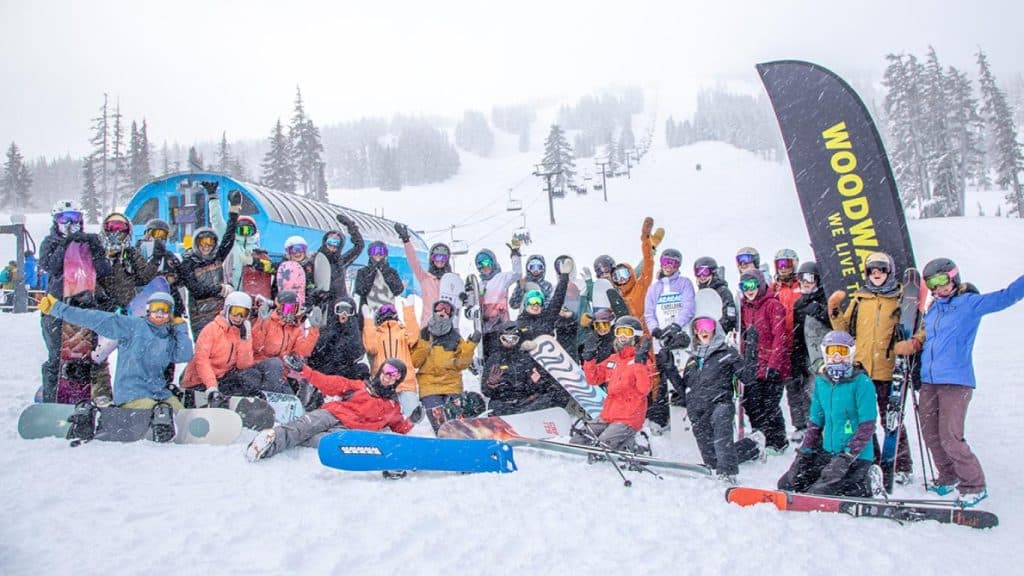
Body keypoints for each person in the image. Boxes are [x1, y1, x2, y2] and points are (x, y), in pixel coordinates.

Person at [893, 258, 1024, 506]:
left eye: (942, 280)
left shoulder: (969, 304)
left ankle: (974, 484)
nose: (937, 287)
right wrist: (915, 344)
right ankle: (948, 476)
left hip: (956, 381)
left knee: (950, 436)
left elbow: (1006, 296)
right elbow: (927, 337)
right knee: (930, 434)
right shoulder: (933, 310)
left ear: (954, 278)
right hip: (929, 381)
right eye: (932, 282)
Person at [828, 251, 914, 484]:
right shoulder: (859, 299)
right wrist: (834, 310)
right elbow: (844, 331)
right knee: (864, 419)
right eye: (872, 271)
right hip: (863, 369)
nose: (877, 274)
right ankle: (873, 460)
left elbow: (916, 325)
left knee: (891, 419)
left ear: (889, 272)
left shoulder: (900, 298)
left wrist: (912, 343)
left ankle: (901, 464)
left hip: (889, 370)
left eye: (881, 270)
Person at [245, 357, 422, 462]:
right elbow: (329, 383)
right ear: (381, 370)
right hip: (332, 414)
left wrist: (412, 419)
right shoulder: (360, 386)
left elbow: (399, 427)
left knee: (322, 441)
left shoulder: (392, 406)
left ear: (398, 380)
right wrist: (305, 371)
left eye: (395, 374)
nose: (389, 376)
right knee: (304, 426)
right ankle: (268, 443)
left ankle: (289, 438)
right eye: (387, 370)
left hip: (347, 430)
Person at [38, 291, 193, 409]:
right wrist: (57, 308)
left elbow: (184, 354)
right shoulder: (132, 326)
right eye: (155, 308)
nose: (159, 313)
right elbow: (94, 318)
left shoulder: (169, 336)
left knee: (180, 415)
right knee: (157, 414)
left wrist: (180, 328)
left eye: (165, 309)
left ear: (171, 314)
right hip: (132, 393)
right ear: (148, 310)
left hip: (159, 393)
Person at [778, 331, 878, 497]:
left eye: (842, 351)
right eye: (832, 352)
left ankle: (864, 483)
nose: (837, 357)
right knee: (788, 483)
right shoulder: (821, 382)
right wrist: (804, 454)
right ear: (825, 353)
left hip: (855, 458)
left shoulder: (862, 383)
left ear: (851, 353)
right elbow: (815, 423)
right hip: (828, 454)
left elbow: (867, 426)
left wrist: (847, 456)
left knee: (819, 492)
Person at [38, 199, 114, 403]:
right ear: (56, 221)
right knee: (56, 358)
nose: (70, 223)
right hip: (57, 309)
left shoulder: (88, 242)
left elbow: (105, 271)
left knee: (85, 357)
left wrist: (96, 247)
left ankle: (83, 398)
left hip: (85, 308)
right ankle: (51, 399)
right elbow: (51, 266)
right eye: (65, 219)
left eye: (75, 218)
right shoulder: (50, 242)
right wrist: (66, 243)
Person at [678, 315, 765, 483]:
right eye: (698, 327)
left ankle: (728, 474)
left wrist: (751, 350)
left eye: (707, 326)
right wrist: (669, 368)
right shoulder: (692, 360)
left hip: (720, 403)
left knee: (721, 436)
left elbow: (747, 377)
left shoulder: (727, 353)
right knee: (713, 461)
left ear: (715, 329)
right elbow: (684, 389)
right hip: (698, 409)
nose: (703, 331)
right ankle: (753, 445)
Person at [179, 291, 294, 405]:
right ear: (227, 309)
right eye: (235, 312)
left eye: (243, 314)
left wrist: (245, 338)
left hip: (223, 378)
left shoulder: (239, 331)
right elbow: (201, 361)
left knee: (255, 374)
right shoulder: (211, 329)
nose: (238, 318)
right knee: (248, 381)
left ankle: (269, 403)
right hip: (200, 383)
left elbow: (243, 365)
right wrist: (212, 387)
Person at [576, 316, 653, 451]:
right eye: (619, 331)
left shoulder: (643, 360)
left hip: (628, 418)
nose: (622, 336)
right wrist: (589, 358)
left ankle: (634, 445)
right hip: (608, 415)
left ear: (635, 336)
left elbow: (644, 389)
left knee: (603, 447)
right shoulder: (614, 359)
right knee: (579, 440)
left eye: (627, 332)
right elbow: (593, 379)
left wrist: (639, 364)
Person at [737, 269, 790, 454]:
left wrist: (774, 365)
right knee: (751, 402)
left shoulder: (772, 305)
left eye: (752, 285)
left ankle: (778, 440)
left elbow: (779, 336)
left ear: (760, 285)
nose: (749, 290)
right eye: (744, 287)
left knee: (770, 404)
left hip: (771, 364)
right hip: (753, 364)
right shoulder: (744, 307)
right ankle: (760, 435)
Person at [178, 191, 241, 338]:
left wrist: (234, 210)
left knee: (222, 349)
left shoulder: (216, 257)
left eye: (210, 243)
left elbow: (229, 237)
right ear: (196, 243)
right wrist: (220, 289)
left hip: (219, 313)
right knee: (205, 350)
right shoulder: (188, 262)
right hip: (200, 316)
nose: (206, 246)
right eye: (203, 243)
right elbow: (196, 289)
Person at [411, 300, 480, 431]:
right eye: (439, 308)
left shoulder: (455, 337)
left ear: (451, 315)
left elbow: (462, 364)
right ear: (434, 311)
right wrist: (425, 345)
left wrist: (470, 345)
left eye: (447, 310)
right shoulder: (424, 333)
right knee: (441, 424)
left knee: (458, 424)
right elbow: (415, 362)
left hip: (451, 385)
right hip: (429, 385)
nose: (442, 311)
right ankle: (444, 445)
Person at [483, 321, 569, 416]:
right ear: (499, 339)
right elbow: (486, 391)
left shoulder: (526, 357)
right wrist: (491, 384)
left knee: (557, 394)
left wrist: (536, 382)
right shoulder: (494, 359)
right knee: (496, 406)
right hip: (504, 403)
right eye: (505, 339)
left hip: (526, 403)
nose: (509, 342)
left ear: (519, 340)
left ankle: (531, 418)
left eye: (514, 339)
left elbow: (538, 387)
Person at [790, 261, 830, 442]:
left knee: (821, 392)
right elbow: (797, 333)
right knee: (807, 392)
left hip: (824, 356)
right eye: (802, 278)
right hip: (806, 354)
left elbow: (836, 323)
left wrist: (821, 312)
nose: (805, 282)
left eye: (810, 278)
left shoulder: (825, 299)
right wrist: (796, 358)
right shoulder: (799, 304)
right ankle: (812, 432)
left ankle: (826, 431)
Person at [361, 300, 420, 415]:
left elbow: (414, 337)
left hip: (405, 383)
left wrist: (409, 310)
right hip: (383, 384)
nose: (388, 312)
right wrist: (368, 321)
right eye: (384, 310)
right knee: (384, 418)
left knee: (413, 418)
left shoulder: (403, 332)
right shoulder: (376, 334)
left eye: (391, 309)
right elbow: (370, 347)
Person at [395, 222, 458, 327]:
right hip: (428, 327)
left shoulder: (451, 281)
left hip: (447, 328)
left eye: (443, 258)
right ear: (432, 259)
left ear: (447, 260)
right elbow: (413, 261)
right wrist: (406, 241)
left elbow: (458, 300)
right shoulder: (425, 278)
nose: (440, 261)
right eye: (437, 258)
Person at [474, 241, 523, 363]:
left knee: (504, 359)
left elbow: (517, 273)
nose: (484, 266)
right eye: (480, 264)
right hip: (486, 331)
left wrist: (515, 254)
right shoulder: (479, 285)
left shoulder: (501, 278)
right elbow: (472, 307)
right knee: (490, 361)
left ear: (493, 262)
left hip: (502, 327)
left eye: (486, 262)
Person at [251, 290, 324, 364]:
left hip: (281, 369)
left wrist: (314, 330)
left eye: (294, 309)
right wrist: (261, 323)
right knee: (275, 363)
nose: (290, 313)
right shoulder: (268, 321)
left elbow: (301, 352)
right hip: (260, 364)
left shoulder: (295, 328)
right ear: (279, 307)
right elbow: (255, 347)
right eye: (287, 308)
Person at [307, 296, 370, 380]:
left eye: (347, 311)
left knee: (362, 369)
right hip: (324, 370)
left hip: (342, 372)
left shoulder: (354, 331)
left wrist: (348, 328)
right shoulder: (329, 329)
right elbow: (316, 352)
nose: (343, 313)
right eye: (340, 310)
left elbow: (356, 352)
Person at [311, 213, 364, 306]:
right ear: (325, 242)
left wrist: (351, 227)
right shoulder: (316, 260)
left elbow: (359, 246)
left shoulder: (342, 261)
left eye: (336, 243)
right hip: (321, 303)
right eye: (330, 242)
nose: (332, 246)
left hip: (339, 303)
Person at [354, 241, 404, 312]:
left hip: (387, 314)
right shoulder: (363, 272)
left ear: (385, 254)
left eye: (381, 251)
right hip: (367, 314)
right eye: (374, 251)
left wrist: (385, 272)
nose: (378, 254)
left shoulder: (391, 272)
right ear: (370, 254)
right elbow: (360, 291)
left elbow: (398, 290)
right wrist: (372, 272)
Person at [692, 256, 738, 334]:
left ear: (713, 272)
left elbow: (730, 316)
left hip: (719, 335)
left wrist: (714, 330)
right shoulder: (700, 294)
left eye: (705, 272)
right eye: (698, 272)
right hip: (704, 336)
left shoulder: (723, 291)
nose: (702, 276)